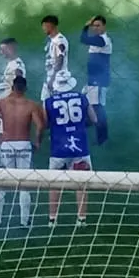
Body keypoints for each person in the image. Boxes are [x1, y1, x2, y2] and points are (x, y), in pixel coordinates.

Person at [0, 75, 45, 227]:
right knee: (24, 184)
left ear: (12, 88)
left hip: (7, 145)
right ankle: (24, 221)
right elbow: (40, 126)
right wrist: (37, 142)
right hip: (24, 145)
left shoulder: (3, 103)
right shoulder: (31, 105)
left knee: (2, 183)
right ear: (25, 89)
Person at [45, 70, 96, 227]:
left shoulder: (49, 101)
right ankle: (81, 219)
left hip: (59, 147)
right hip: (79, 146)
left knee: (55, 184)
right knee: (81, 183)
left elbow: (46, 123)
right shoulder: (82, 98)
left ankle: (52, 219)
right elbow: (94, 119)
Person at [79, 15, 112, 144]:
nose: (96, 28)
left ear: (104, 26)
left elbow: (83, 39)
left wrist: (85, 26)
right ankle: (87, 125)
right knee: (85, 103)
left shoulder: (103, 40)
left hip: (99, 81)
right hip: (93, 79)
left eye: (98, 25)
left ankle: (102, 139)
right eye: (94, 26)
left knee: (98, 108)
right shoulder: (98, 39)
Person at [40, 15, 69, 101]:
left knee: (56, 103)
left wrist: (52, 79)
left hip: (58, 78)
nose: (43, 29)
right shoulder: (50, 40)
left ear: (50, 25)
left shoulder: (59, 40)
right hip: (50, 76)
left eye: (44, 26)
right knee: (46, 103)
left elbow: (60, 60)